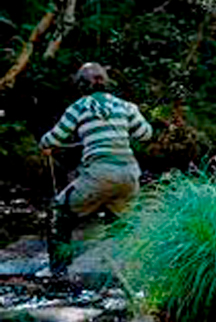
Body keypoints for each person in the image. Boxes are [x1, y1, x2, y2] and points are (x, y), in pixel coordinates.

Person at [39, 62, 153, 276]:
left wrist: (44, 144)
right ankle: (124, 274)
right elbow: (146, 134)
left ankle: (58, 272)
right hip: (129, 177)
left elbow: (54, 138)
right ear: (106, 82)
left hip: (99, 176)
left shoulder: (78, 107)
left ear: (81, 85)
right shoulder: (126, 106)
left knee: (59, 211)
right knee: (118, 219)